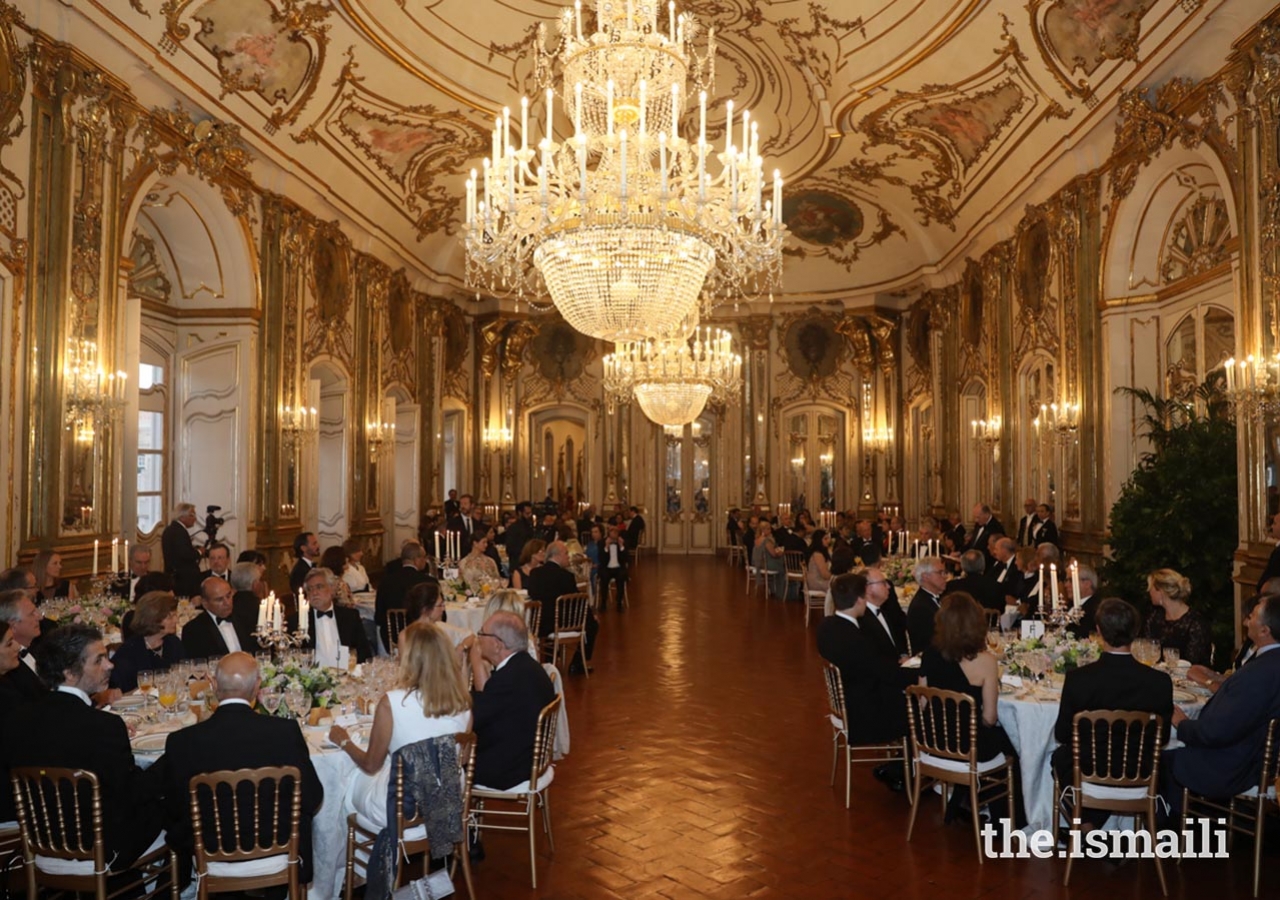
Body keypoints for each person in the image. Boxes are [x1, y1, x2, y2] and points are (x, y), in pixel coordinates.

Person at [2, 624, 164, 867]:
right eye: (99, 660)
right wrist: (166, 763)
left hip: (41, 847)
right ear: (69, 672)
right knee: (176, 806)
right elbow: (131, 795)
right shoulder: (103, 725)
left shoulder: (16, 720)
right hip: (102, 851)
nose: (110, 665)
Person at [159, 652, 324, 886]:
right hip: (276, 853)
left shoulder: (181, 741)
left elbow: (174, 810)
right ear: (258, 686)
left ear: (213, 685)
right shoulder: (285, 732)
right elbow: (312, 798)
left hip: (210, 855)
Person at [333, 623, 472, 828]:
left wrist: (344, 741)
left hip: (402, 808)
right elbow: (465, 757)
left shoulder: (393, 702)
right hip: (446, 800)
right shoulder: (463, 702)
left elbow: (371, 765)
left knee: (347, 781)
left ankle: (363, 855)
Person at [1051, 598, 1173, 828]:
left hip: (1088, 773)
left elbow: (1063, 733)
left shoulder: (1079, 679)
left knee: (1059, 757)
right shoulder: (1159, 682)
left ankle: (1086, 821)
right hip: (1141, 774)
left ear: (1099, 632)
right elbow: (1163, 738)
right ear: (1136, 631)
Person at [1166, 594, 1280, 808]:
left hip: (1234, 767)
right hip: (1257, 758)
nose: (1247, 621)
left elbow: (1215, 732)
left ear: (1265, 631)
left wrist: (1182, 724)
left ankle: (1168, 832)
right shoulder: (1269, 663)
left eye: (1253, 616)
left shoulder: (1259, 673)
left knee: (1159, 756)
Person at [919, 592, 1017, 821]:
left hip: (935, 742)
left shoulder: (929, 655)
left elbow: (923, 702)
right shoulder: (985, 661)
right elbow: (990, 718)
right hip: (970, 747)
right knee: (1014, 744)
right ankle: (1005, 818)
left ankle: (964, 801)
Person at [816, 573, 916, 791]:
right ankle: (907, 772)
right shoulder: (855, 638)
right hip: (864, 711)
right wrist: (919, 675)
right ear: (860, 600)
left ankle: (904, 767)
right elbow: (884, 673)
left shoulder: (827, 627)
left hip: (847, 700)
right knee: (917, 706)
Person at [468, 612, 556, 791]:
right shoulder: (528, 667)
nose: (478, 639)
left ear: (497, 644)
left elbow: (473, 719)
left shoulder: (508, 679)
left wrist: (474, 661)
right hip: (530, 757)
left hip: (512, 770)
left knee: (446, 762)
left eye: (482, 634)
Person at [526, 541, 597, 672]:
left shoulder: (535, 574)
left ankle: (549, 660)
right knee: (592, 624)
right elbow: (576, 601)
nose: (568, 556)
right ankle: (578, 663)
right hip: (560, 624)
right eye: (566, 553)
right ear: (557, 556)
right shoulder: (566, 576)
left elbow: (532, 594)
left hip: (539, 624)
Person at [110, 591, 185, 692]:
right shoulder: (129, 652)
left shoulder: (173, 642)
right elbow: (122, 691)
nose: (176, 620)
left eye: (176, 615)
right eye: (170, 617)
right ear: (152, 618)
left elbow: (183, 675)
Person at [296, 567, 372, 666]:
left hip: (347, 675)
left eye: (319, 587)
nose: (314, 593)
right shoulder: (298, 621)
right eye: (310, 589)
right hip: (312, 678)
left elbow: (364, 653)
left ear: (332, 589)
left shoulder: (350, 616)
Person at [1140, 568, 1212, 666]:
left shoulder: (1196, 623)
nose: (1149, 592)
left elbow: (1194, 663)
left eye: (1151, 588)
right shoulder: (1153, 618)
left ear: (1160, 591)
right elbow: (1145, 651)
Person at [182, 575, 259, 658]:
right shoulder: (194, 629)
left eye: (228, 596)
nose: (227, 603)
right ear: (205, 603)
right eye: (219, 599)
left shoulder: (245, 619)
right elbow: (198, 664)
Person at [376, 541, 435, 649]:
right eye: (423, 558)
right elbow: (440, 616)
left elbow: (379, 617)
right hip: (422, 637)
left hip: (391, 637)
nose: (425, 561)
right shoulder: (428, 582)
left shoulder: (385, 581)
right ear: (417, 560)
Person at [404, 581, 475, 653]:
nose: (443, 609)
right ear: (426, 609)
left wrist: (462, 647)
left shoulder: (441, 628)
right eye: (440, 605)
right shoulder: (406, 636)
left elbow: (470, 636)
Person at [0, 588, 45, 700]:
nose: (40, 617)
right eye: (31, 614)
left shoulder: (38, 646)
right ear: (13, 626)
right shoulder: (9, 667)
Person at [860, 566, 910, 662]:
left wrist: (903, 655)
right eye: (883, 583)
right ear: (868, 589)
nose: (888, 586)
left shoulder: (883, 611)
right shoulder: (863, 619)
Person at [907, 556, 949, 657]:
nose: (945, 576)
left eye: (945, 572)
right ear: (925, 576)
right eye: (940, 572)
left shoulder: (937, 598)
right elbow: (932, 643)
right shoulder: (920, 607)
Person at [162, 502, 204, 596]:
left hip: (174, 575)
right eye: (191, 515)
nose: (195, 519)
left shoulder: (170, 529)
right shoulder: (179, 531)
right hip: (183, 579)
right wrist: (199, 552)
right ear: (182, 516)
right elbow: (185, 554)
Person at [596, 525, 629, 611]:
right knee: (604, 577)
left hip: (618, 567)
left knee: (621, 577)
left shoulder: (622, 542)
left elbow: (626, 558)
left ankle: (619, 602)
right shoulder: (602, 543)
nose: (614, 534)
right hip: (607, 567)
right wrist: (606, 547)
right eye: (612, 532)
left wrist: (621, 546)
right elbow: (602, 559)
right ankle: (603, 602)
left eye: (616, 532)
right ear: (608, 533)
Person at [752, 521, 787, 598]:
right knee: (782, 569)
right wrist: (780, 552)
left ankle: (773, 589)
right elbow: (773, 554)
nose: (770, 531)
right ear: (763, 530)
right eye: (768, 529)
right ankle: (780, 592)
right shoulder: (766, 541)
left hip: (759, 564)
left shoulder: (756, 540)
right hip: (767, 564)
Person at [1065, 566, 1101, 639]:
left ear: (1087, 584)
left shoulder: (1096, 609)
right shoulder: (1068, 606)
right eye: (1066, 580)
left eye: (1071, 580)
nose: (1066, 585)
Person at [504, 502, 536, 575]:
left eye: (530, 513)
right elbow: (509, 549)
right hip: (517, 565)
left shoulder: (530, 527)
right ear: (520, 513)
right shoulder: (513, 528)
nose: (529, 516)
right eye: (527, 513)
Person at [289, 531, 321, 595]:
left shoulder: (311, 566)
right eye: (314, 544)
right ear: (303, 548)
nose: (318, 546)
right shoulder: (300, 570)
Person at [806, 529, 833, 595]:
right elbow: (824, 575)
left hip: (820, 580)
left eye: (828, 538)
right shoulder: (817, 554)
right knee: (839, 586)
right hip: (817, 582)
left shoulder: (823, 552)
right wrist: (835, 576)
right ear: (819, 540)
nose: (828, 541)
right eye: (825, 539)